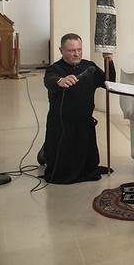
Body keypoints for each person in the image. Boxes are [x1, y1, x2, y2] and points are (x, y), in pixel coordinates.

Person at [42, 33, 107, 184]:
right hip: (63, 123)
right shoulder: (55, 68)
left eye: (79, 50)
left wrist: (108, 61)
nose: (76, 54)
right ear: (61, 50)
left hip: (84, 121)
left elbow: (106, 80)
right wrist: (60, 81)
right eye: (71, 50)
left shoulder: (88, 66)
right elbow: (50, 80)